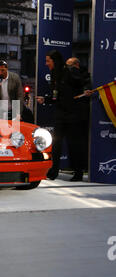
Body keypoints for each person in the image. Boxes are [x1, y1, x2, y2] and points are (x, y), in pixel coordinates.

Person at [36, 50, 89, 182]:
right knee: (56, 143)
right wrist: (46, 99)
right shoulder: (54, 74)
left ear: (55, 60)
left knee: (74, 144)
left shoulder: (70, 71)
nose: (46, 63)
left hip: (73, 114)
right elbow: (56, 95)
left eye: (48, 60)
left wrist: (86, 90)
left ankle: (78, 172)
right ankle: (53, 171)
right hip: (61, 114)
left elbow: (85, 80)